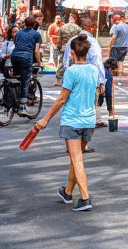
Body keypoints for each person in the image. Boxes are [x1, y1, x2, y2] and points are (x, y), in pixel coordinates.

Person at [35, 34, 99, 211]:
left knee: (76, 158)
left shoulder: (71, 71)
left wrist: (45, 119)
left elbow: (62, 99)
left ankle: (85, 199)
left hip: (72, 120)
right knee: (75, 157)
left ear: (72, 52)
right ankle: (68, 192)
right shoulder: (94, 70)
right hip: (89, 120)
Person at [63, 17, 107, 127]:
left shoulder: (71, 40)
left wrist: (68, 73)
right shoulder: (93, 42)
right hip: (90, 79)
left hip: (74, 77)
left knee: (74, 100)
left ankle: (79, 119)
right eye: (95, 27)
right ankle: (93, 120)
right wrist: (102, 81)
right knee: (91, 101)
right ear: (91, 27)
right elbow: (97, 62)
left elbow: (66, 60)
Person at [11, 15, 43, 117]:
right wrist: (39, 62)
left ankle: (12, 98)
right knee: (25, 81)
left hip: (15, 56)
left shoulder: (19, 32)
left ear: (24, 23)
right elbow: (36, 51)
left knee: (15, 78)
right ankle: (22, 106)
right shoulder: (36, 34)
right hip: (26, 58)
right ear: (34, 24)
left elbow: (16, 44)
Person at [55, 14, 81, 86]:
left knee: (61, 63)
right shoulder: (78, 28)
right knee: (75, 64)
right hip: (74, 48)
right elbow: (79, 39)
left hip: (64, 47)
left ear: (69, 19)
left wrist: (59, 48)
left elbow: (59, 40)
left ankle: (58, 81)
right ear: (75, 19)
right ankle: (75, 80)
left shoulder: (62, 27)